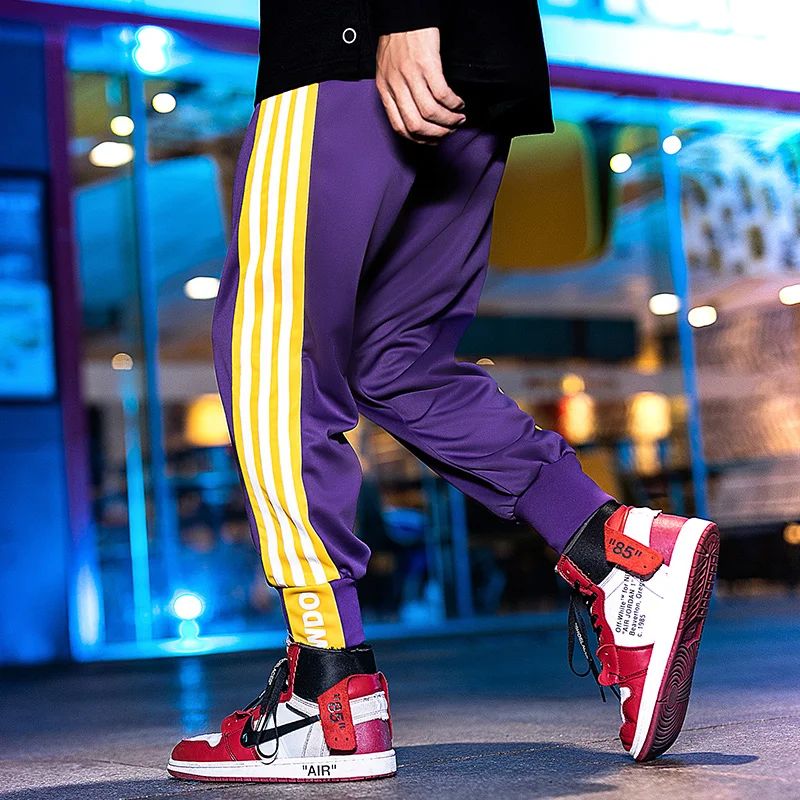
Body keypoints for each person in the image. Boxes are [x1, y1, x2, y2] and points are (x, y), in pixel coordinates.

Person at [167, 0, 719, 782]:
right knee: (396, 360)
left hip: (356, 37)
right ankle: (617, 550)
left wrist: (407, 14)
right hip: (466, 54)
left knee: (272, 345)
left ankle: (327, 689)